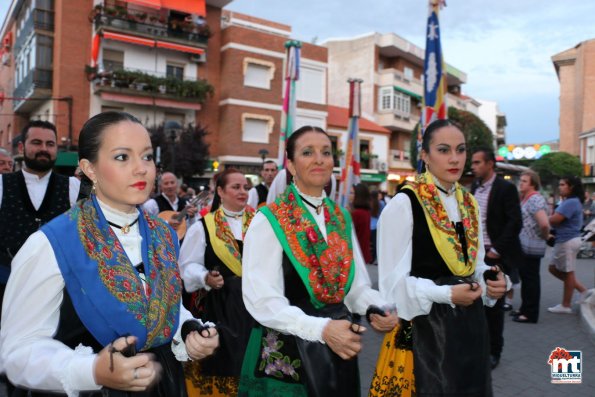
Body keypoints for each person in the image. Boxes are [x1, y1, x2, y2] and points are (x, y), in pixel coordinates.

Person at [0, 111, 219, 396]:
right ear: (89, 169)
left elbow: (159, 307)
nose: (141, 168)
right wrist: (90, 371)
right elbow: (17, 350)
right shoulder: (51, 244)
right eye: (122, 157)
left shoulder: (164, 234)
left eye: (147, 156)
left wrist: (187, 331)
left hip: (165, 383)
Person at [239, 126, 398, 397]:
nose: (319, 159)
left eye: (326, 152)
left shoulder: (340, 218)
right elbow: (263, 300)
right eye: (307, 152)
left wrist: (375, 308)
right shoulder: (270, 219)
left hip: (339, 346)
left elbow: (356, 287)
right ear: (290, 163)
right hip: (288, 352)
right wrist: (321, 329)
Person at [371, 120, 507, 397]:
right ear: (424, 156)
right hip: (424, 330)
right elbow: (391, 286)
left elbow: (474, 263)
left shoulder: (468, 202)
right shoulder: (404, 203)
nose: (454, 158)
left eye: (460, 150)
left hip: (469, 328)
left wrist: (489, 279)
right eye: (443, 150)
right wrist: (446, 294)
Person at [180, 168, 255, 396]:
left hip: (257, 306)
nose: (243, 192)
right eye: (236, 187)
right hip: (222, 308)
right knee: (222, 366)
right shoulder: (204, 226)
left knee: (253, 364)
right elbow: (187, 265)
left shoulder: (261, 223)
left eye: (245, 187)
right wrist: (205, 278)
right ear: (220, 191)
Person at [0, 120, 81, 318]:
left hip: (55, 294)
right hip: (6, 288)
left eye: (50, 144)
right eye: (37, 142)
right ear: (21, 147)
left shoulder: (73, 186)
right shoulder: (2, 184)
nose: (44, 149)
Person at [471, 146, 522, 369]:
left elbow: (514, 222)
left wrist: (496, 250)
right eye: (472, 163)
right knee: (477, 305)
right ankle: (479, 348)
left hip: (496, 256)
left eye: (477, 163)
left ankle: (494, 352)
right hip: (476, 256)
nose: (473, 167)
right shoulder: (475, 188)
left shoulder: (505, 189)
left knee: (494, 307)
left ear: (490, 164)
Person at [547, 176, 592, 313]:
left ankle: (566, 305)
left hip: (567, 240)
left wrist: (543, 218)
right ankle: (583, 291)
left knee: (568, 272)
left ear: (571, 187)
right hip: (566, 240)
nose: (560, 187)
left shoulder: (571, 202)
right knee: (554, 268)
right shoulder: (571, 201)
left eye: (562, 184)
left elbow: (556, 219)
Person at [513, 170, 550, 323]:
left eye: (524, 181)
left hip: (531, 245)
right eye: (520, 180)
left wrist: (544, 236)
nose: (520, 183)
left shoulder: (534, 199)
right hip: (525, 245)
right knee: (527, 279)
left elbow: (544, 224)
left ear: (533, 184)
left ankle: (530, 313)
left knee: (530, 280)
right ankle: (524, 309)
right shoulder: (526, 199)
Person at [351, 183, 372, 264]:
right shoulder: (365, 212)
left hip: (356, 254)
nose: (350, 195)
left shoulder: (357, 213)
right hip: (362, 253)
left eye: (352, 193)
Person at [369, 189, 385, 264]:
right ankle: (375, 259)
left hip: (369, 225)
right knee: (376, 244)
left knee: (370, 244)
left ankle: (370, 258)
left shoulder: (369, 203)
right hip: (377, 225)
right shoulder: (381, 203)